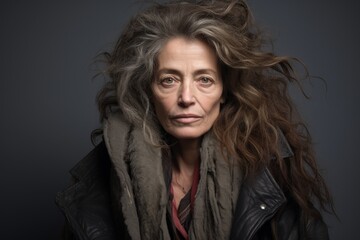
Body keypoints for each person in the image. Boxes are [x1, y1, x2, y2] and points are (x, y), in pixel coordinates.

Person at [56, 0, 334, 239]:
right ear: (149, 90)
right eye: (169, 80)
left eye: (204, 79)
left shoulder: (270, 174)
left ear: (224, 90)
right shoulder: (105, 176)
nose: (186, 97)